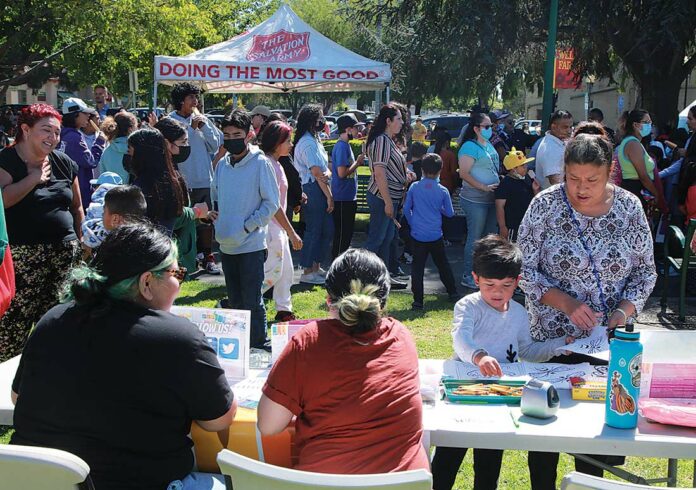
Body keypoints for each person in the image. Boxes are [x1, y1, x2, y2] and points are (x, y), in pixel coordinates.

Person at [10, 222, 237, 490]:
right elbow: (218, 420)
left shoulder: (53, 319)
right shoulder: (177, 338)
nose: (179, 282)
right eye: (177, 272)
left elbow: (18, 397)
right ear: (147, 282)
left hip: (34, 482)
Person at [518, 134, 657, 488]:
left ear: (609, 171)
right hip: (551, 340)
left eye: (591, 180)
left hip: (607, 345)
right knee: (545, 430)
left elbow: (645, 273)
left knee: (595, 438)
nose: (581, 189)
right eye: (573, 179)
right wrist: (565, 303)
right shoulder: (544, 205)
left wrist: (623, 313)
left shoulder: (629, 208)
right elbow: (524, 270)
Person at [257, 248, 430, 474]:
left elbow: (269, 425)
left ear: (329, 300)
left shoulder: (308, 341)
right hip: (404, 483)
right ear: (383, 301)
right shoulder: (401, 336)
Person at [431, 235, 570, 490]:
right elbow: (460, 339)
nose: (497, 292)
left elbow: (527, 350)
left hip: (499, 397)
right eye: (489, 285)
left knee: (488, 466)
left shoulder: (518, 312)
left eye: (506, 285)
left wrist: (560, 345)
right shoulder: (468, 306)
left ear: (517, 282)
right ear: (475, 279)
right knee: (446, 463)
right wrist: (479, 356)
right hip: (463, 394)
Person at [0, 104, 84, 362]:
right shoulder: (6, 161)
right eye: (46, 130)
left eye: (57, 132)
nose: (53, 137)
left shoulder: (64, 163)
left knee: (61, 324)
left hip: (63, 256)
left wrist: (81, 242)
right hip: (22, 259)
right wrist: (32, 179)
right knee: (11, 329)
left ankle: (53, 382)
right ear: (25, 129)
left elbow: (76, 206)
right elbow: (1, 200)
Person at [212, 110, 279, 350]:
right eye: (227, 135)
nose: (231, 139)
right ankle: (238, 344)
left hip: (251, 244)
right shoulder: (221, 166)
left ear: (249, 134)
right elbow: (216, 199)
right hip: (226, 244)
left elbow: (271, 203)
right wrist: (214, 218)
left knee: (252, 300)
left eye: (237, 134)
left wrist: (247, 225)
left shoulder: (261, 163)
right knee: (235, 299)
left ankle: (259, 343)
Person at [168, 82, 223, 275]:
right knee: (185, 221)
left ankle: (208, 256)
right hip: (182, 181)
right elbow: (178, 148)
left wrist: (203, 126)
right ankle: (185, 260)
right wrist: (191, 129)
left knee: (206, 221)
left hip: (204, 179)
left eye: (196, 97)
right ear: (181, 101)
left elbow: (215, 145)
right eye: (192, 97)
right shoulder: (170, 122)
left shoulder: (202, 119)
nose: (195, 101)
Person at [260, 120, 303, 322]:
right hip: (271, 226)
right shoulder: (268, 164)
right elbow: (274, 204)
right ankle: (237, 301)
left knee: (285, 272)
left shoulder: (276, 163)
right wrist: (292, 232)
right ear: (277, 142)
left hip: (278, 227)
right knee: (272, 272)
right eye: (288, 141)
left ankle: (284, 310)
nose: (291, 145)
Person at [403, 154, 458, 310]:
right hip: (435, 234)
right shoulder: (442, 190)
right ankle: (452, 292)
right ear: (440, 170)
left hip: (418, 234)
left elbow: (407, 209)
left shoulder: (414, 187)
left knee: (417, 267)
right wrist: (438, 208)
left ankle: (418, 300)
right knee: (442, 264)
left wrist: (413, 223)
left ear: (422, 169)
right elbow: (450, 213)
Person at [363, 104, 411, 284]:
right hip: (381, 197)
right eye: (398, 119)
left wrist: (405, 175)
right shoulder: (382, 140)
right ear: (388, 121)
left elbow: (388, 170)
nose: (401, 122)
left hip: (388, 197)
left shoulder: (387, 140)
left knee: (386, 239)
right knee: (376, 240)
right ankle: (362, 275)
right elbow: (379, 172)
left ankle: (380, 278)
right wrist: (388, 202)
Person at [457, 112, 501, 290]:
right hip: (475, 199)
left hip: (491, 198)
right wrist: (482, 187)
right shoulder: (468, 146)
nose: (491, 129)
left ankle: (485, 273)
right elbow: (464, 173)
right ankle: (468, 274)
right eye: (487, 126)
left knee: (489, 237)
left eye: (492, 126)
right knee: (475, 238)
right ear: (476, 128)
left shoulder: (488, 144)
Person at [293, 104, 334, 285]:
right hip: (312, 188)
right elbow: (317, 173)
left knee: (326, 230)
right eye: (319, 118)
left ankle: (316, 266)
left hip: (319, 187)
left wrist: (329, 175)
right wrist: (329, 196)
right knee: (314, 229)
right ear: (311, 120)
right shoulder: (307, 142)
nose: (322, 121)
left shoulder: (314, 139)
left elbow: (326, 169)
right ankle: (307, 270)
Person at [128, 128, 185, 235]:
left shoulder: (140, 188)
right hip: (165, 245)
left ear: (141, 154)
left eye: (130, 150)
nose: (129, 156)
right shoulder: (173, 180)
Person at [58, 97, 106, 210]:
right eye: (85, 113)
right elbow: (91, 161)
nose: (88, 116)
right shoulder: (74, 137)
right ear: (75, 115)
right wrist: (100, 142)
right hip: (80, 189)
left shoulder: (62, 134)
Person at [617, 109, 668, 213]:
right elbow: (643, 176)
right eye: (646, 122)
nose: (650, 125)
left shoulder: (635, 143)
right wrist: (656, 193)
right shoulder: (633, 144)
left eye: (650, 122)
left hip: (636, 190)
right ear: (635, 125)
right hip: (635, 191)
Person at [331, 114, 364, 259]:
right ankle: (336, 264)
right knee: (342, 234)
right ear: (348, 129)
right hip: (342, 197)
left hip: (348, 196)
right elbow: (341, 173)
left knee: (346, 234)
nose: (358, 131)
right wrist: (357, 163)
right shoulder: (342, 146)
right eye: (356, 128)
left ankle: (340, 263)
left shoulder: (346, 146)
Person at [495, 147, 539, 241]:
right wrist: (502, 227)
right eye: (522, 166)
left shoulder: (527, 179)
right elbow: (499, 206)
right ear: (514, 169)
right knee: (511, 251)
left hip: (527, 224)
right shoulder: (505, 183)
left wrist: (535, 190)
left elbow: (534, 200)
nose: (526, 168)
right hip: (512, 226)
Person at [81, 172, 123, 254]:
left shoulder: (95, 206)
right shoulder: (125, 208)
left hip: (92, 246)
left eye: (95, 186)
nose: (93, 189)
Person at [535, 110, 573, 190]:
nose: (569, 131)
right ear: (554, 127)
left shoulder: (558, 142)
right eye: (565, 127)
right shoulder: (550, 148)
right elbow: (555, 181)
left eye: (571, 127)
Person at [98, 110, 138, 184]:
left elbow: (102, 178)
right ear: (130, 129)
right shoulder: (138, 151)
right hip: (134, 193)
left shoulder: (106, 152)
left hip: (112, 193)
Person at [433, 128, 459, 194]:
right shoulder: (450, 155)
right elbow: (454, 172)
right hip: (447, 185)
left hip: (433, 184)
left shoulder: (433, 153)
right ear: (447, 142)